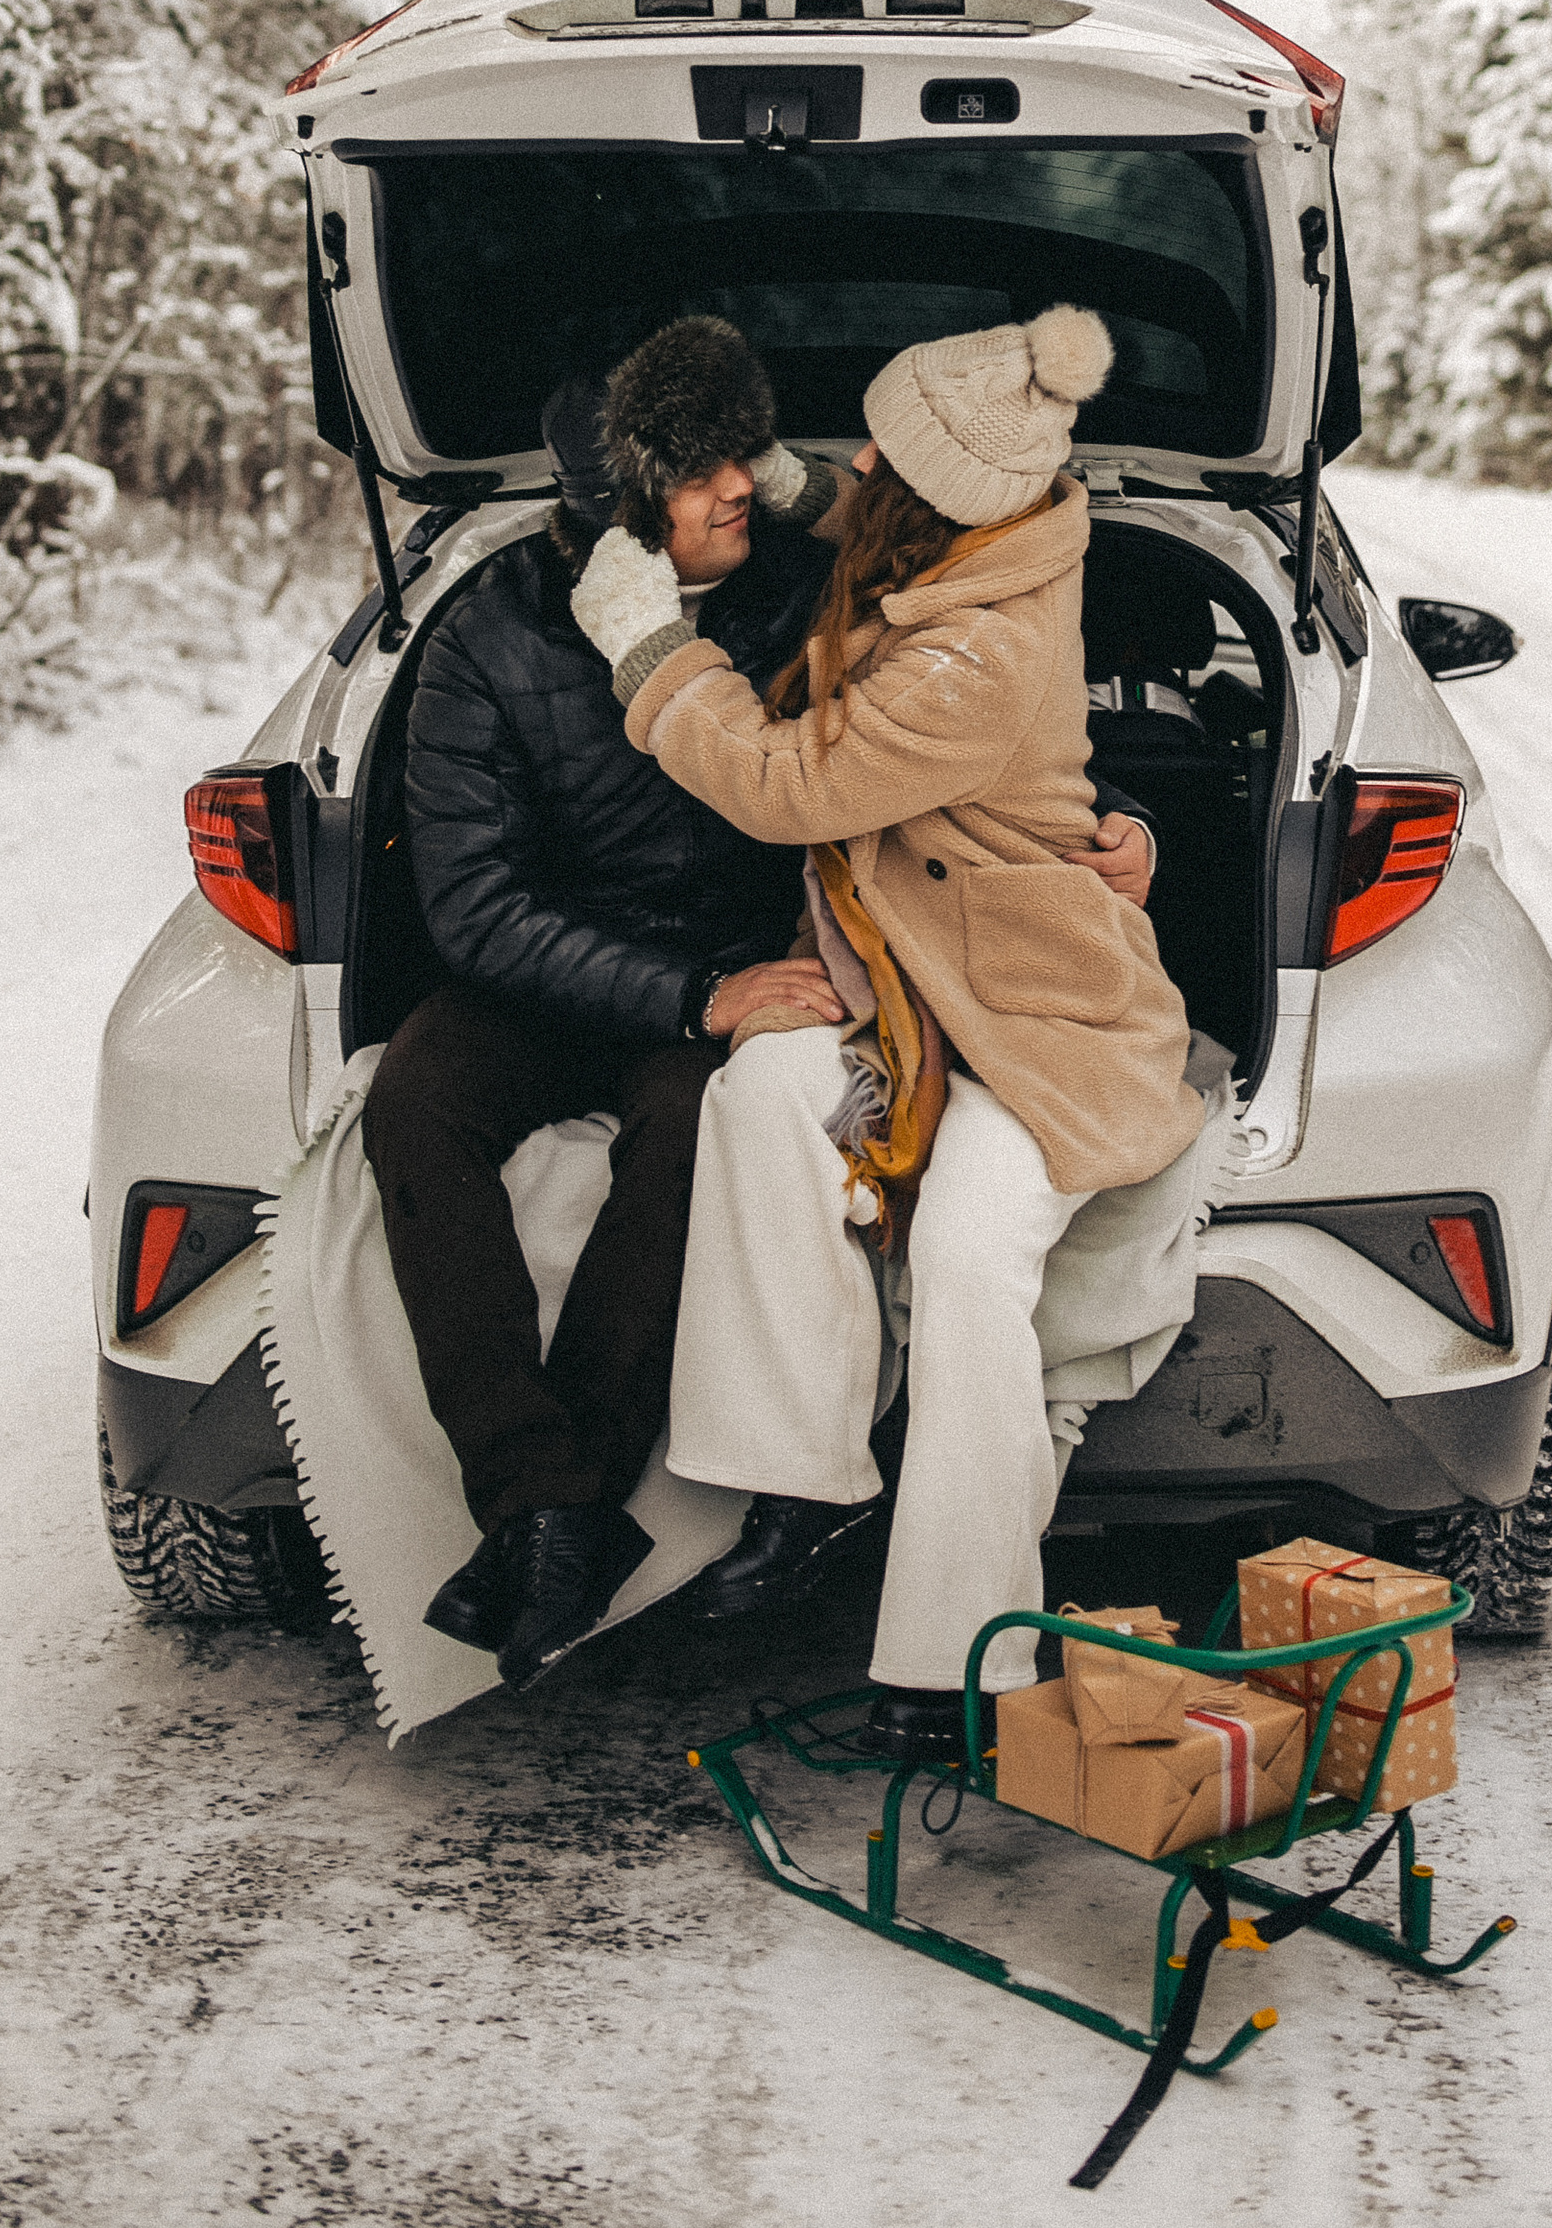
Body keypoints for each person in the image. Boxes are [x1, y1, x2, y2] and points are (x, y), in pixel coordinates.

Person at [366, 314, 1156, 1695]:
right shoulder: (483, 637)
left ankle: (681, 1514)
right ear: (615, 513)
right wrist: (686, 992)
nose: (753, 481)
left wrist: (1118, 820)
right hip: (584, 966)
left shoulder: (812, 592)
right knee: (414, 1097)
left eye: (750, 451)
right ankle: (548, 1508)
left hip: (796, 964)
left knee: (723, 1119)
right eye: (704, 465)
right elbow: (474, 911)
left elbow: (889, 766)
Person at [571, 304, 1204, 1759]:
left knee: (976, 1260)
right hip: (906, 985)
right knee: (765, 1090)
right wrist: (791, 485)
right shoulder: (993, 524)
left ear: (946, 492)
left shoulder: (970, 658)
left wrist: (646, 647)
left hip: (1033, 1020)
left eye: (884, 454)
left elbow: (787, 782)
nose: (860, 457)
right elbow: (881, 513)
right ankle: (802, 1484)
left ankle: (953, 1675)